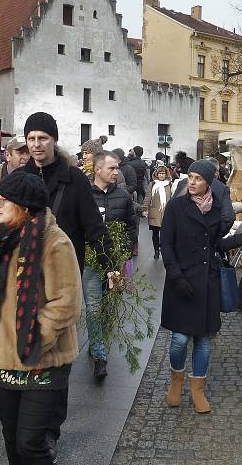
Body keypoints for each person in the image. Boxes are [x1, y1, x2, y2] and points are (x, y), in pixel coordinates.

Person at [0, 171, 82, 465]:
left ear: (24, 208)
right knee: (12, 440)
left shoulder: (54, 242)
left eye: (4, 201)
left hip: (41, 360)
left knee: (30, 444)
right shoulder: (1, 237)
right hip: (3, 358)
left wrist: (33, 337)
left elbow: (66, 303)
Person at [20, 112, 110, 460]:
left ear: (54, 140)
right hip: (25, 278)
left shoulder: (73, 180)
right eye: (31, 139)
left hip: (62, 280)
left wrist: (110, 266)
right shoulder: (21, 177)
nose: (37, 145)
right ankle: (28, 422)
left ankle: (50, 429)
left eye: (42, 138)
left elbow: (93, 227)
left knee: (57, 360)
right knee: (29, 351)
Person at [160, 159, 229, 414]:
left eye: (198, 178)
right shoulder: (177, 206)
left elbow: (214, 244)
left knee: (202, 339)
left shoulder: (216, 208)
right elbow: (165, 242)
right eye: (190, 177)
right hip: (182, 280)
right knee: (179, 339)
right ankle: (176, 381)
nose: (192, 182)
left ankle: (198, 389)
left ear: (208, 182)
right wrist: (176, 275)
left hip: (206, 281)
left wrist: (240, 239)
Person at [86, 151, 138, 380]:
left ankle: (98, 341)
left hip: (114, 262)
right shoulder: (84, 194)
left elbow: (131, 226)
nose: (116, 172)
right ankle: (100, 355)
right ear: (98, 170)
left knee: (108, 308)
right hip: (90, 262)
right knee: (93, 307)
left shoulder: (123, 196)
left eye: (117, 168)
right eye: (111, 168)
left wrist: (125, 253)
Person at [142, 164, 173, 259]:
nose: (161, 175)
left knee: (165, 233)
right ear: (156, 174)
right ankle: (156, 250)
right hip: (154, 212)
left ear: (166, 174)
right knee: (155, 233)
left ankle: (163, 249)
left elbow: (172, 198)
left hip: (166, 212)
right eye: (160, 173)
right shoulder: (152, 184)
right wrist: (145, 209)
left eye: (163, 173)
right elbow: (147, 197)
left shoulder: (169, 184)